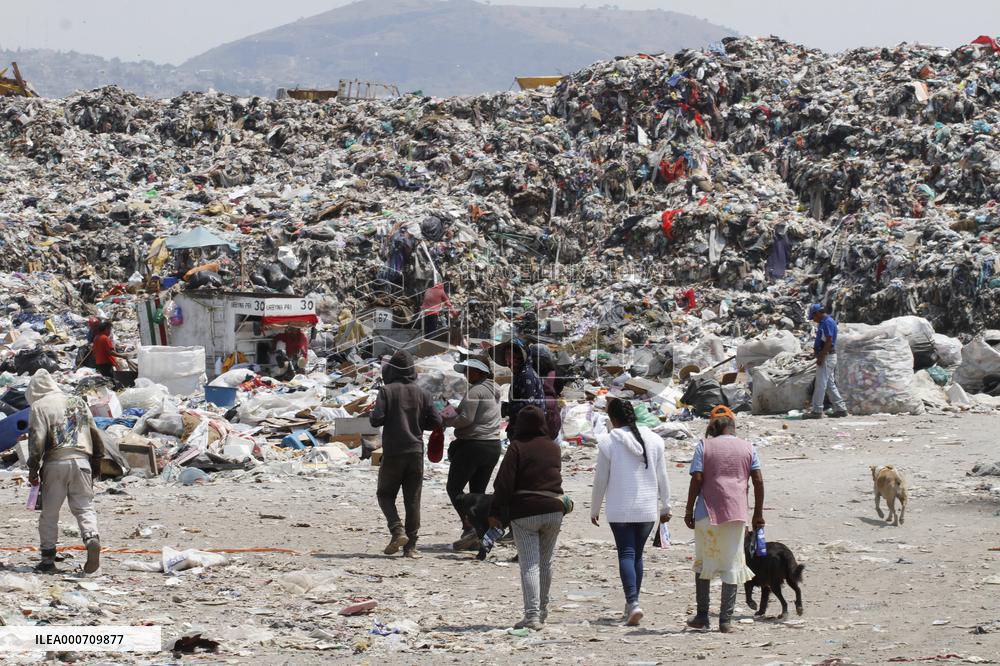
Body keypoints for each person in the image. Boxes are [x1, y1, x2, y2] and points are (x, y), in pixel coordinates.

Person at [590, 398, 671, 626]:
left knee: (626, 553)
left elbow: (600, 480)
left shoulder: (608, 442)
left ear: (614, 419)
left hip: (620, 509)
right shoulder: (655, 440)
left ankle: (633, 602)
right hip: (647, 509)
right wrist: (666, 505)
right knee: (636, 554)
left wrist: (594, 508)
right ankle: (631, 605)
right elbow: (663, 476)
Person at [684, 406, 765, 633]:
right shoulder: (749, 447)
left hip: (706, 513)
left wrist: (688, 510)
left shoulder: (704, 445)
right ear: (733, 427)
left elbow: (697, 479)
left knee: (703, 564)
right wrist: (758, 513)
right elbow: (758, 480)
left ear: (713, 427)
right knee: (732, 564)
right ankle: (725, 621)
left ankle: (702, 616)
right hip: (736, 513)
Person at [489, 406, 564, 631]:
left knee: (530, 563)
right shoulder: (553, 447)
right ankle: (542, 610)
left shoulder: (517, 447)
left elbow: (504, 482)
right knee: (546, 561)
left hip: (525, 511)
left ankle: (532, 616)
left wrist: (496, 513)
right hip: (554, 509)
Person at [26, 369, 105, 574]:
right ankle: (91, 538)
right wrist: (97, 460)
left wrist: (33, 468)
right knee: (84, 506)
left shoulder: (39, 406)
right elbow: (94, 432)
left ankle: (47, 559)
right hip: (82, 461)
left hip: (56, 462)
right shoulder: (77, 401)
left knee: (50, 513)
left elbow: (37, 440)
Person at [369, 349, 442, 558]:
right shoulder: (423, 393)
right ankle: (411, 547)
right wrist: (418, 422)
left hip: (393, 451)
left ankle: (396, 529)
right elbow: (437, 422)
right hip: (415, 452)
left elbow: (376, 420)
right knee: (413, 499)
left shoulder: (386, 391)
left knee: (384, 494)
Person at [444, 357, 502, 551]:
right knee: (478, 493)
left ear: (480, 372)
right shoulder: (494, 389)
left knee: (454, 488)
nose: (467, 375)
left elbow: (466, 419)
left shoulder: (476, 391)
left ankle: (469, 526)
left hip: (473, 445)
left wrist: (449, 419)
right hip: (493, 445)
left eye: (470, 371)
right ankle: (481, 532)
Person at [806, 304, 848, 419]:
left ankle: (817, 410)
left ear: (818, 313)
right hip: (828, 356)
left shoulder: (827, 322)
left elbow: (829, 341)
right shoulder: (825, 322)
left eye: (813, 317)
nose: (814, 320)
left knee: (820, 384)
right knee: (829, 384)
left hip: (827, 357)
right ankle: (841, 409)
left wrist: (821, 357)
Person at [502, 339, 544, 437]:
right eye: (506, 355)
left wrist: (506, 409)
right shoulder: (520, 374)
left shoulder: (526, 375)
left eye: (511, 355)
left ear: (520, 356)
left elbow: (527, 405)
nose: (508, 359)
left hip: (529, 430)